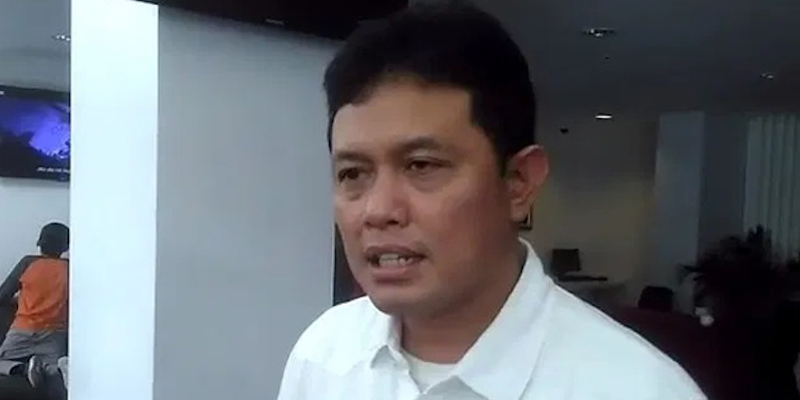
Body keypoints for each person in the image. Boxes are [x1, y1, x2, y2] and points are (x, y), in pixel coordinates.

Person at [277, 2, 706, 399]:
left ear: (519, 183)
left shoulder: (637, 388)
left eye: (421, 165)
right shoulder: (323, 355)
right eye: (353, 173)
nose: (378, 210)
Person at [0, 222, 69, 389]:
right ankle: (57, 368)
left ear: (39, 243)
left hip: (23, 329)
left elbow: (3, 295)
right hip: (54, 333)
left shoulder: (28, 262)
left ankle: (24, 369)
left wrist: (21, 299)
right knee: (52, 369)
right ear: (66, 246)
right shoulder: (69, 268)